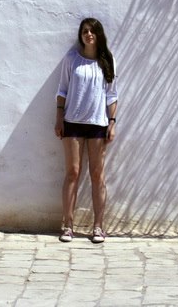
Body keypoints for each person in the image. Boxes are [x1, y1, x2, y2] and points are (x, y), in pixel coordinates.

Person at [54, 17, 118, 243]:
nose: (89, 34)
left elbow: (112, 94)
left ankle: (98, 226)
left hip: (98, 124)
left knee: (97, 175)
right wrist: (59, 118)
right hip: (72, 122)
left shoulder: (107, 60)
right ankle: (68, 225)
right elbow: (62, 90)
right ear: (81, 36)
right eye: (85, 31)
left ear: (99, 34)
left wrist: (112, 122)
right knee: (72, 172)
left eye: (92, 31)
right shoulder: (72, 59)